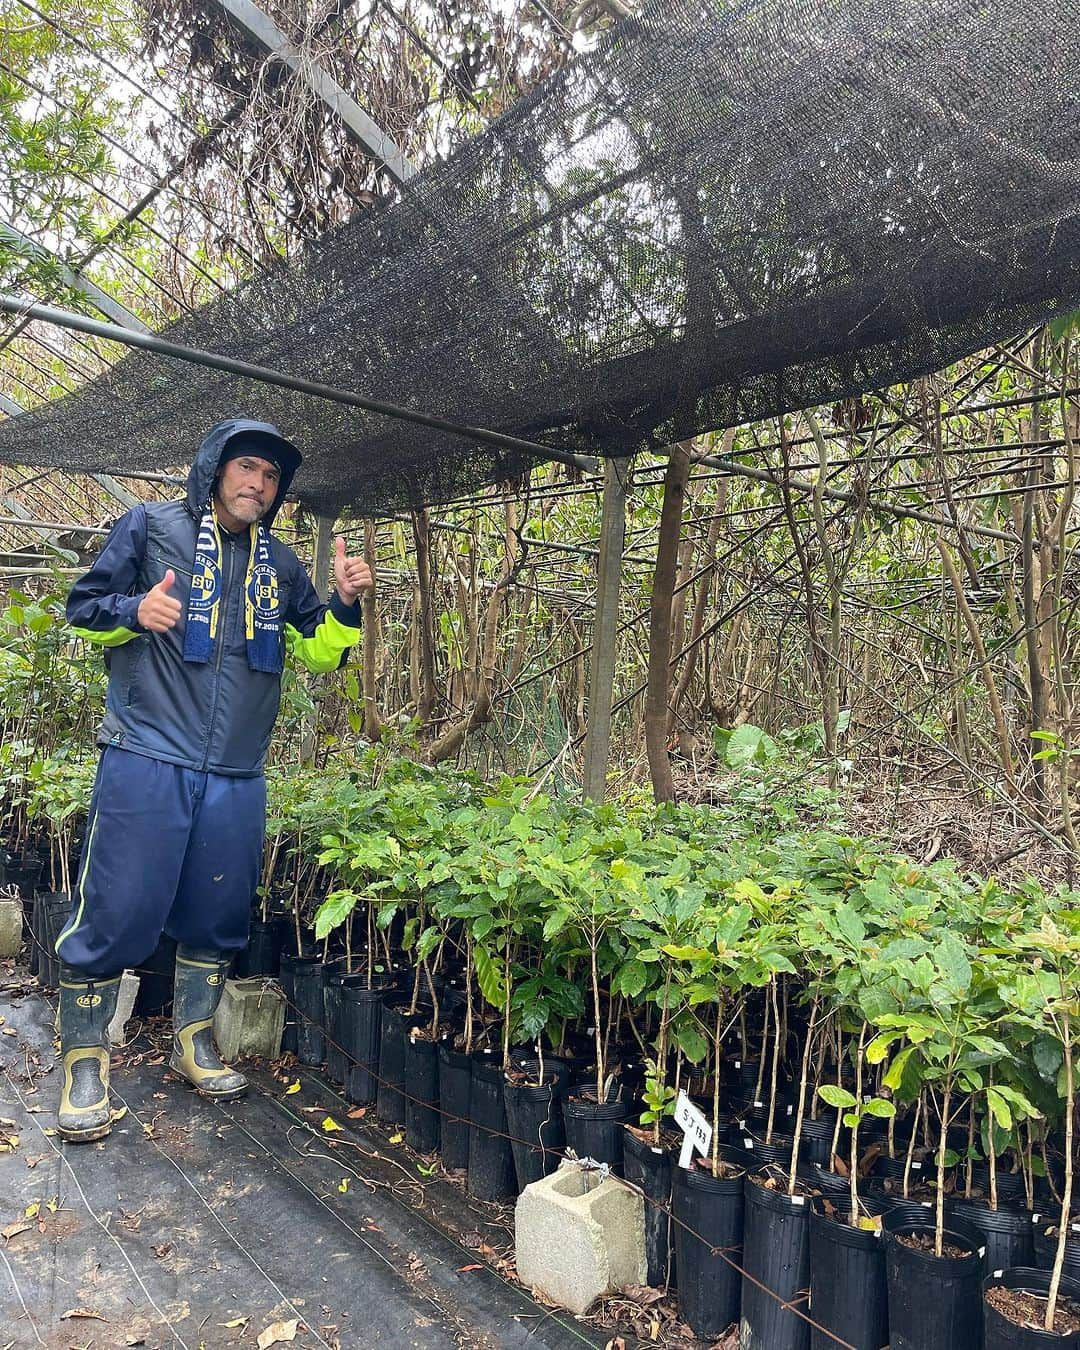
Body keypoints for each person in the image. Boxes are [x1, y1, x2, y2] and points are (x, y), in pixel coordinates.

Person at [56, 418, 373, 1143]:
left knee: (217, 911)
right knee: (118, 907)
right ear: (215, 468)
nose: (257, 483)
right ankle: (83, 1059)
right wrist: (135, 611)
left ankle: (192, 1038)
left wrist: (346, 605)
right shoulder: (150, 528)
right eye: (247, 467)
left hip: (235, 771)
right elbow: (83, 611)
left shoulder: (282, 568)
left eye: (270, 475)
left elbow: (321, 653)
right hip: (147, 755)